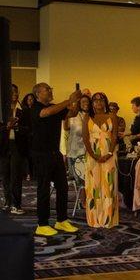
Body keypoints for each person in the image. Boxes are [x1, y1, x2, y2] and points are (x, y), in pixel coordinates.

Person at [30, 83, 80, 236]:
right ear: (38, 93)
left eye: (51, 89)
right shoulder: (35, 108)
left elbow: (72, 114)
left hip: (55, 153)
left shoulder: (55, 107)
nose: (51, 91)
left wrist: (76, 102)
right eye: (47, 89)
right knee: (44, 189)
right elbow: (46, 113)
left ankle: (61, 220)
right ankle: (42, 223)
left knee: (63, 187)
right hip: (41, 154)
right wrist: (69, 99)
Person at [82, 92, 119, 228]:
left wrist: (109, 153)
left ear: (105, 102)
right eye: (95, 100)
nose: (98, 102)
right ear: (92, 103)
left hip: (109, 154)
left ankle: (108, 218)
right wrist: (93, 154)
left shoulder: (112, 116)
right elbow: (85, 138)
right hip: (93, 155)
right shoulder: (87, 117)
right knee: (94, 186)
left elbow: (114, 136)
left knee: (109, 186)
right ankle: (94, 218)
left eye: (101, 100)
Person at [0, 84, 30, 214]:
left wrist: (16, 128)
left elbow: (29, 129)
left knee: (16, 176)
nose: (15, 94)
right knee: (5, 175)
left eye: (16, 92)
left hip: (17, 146)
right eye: (12, 92)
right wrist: (7, 127)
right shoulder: (2, 111)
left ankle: (16, 205)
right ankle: (7, 202)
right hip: (3, 146)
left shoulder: (23, 110)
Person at [64, 95, 90, 202]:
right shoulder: (74, 115)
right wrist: (66, 115)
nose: (86, 104)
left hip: (90, 151)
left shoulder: (92, 116)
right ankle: (83, 201)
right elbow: (66, 127)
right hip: (76, 151)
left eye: (88, 102)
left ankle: (91, 199)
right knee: (82, 179)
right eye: (83, 102)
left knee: (91, 178)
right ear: (79, 104)